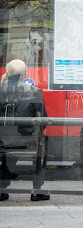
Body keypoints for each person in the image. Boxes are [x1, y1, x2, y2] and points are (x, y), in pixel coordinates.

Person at [0, 59, 49, 201]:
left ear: (7, 73)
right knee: (43, 142)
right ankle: (37, 190)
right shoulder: (35, 92)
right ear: (25, 74)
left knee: (8, 150)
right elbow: (43, 121)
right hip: (26, 140)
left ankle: (2, 187)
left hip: (1, 142)